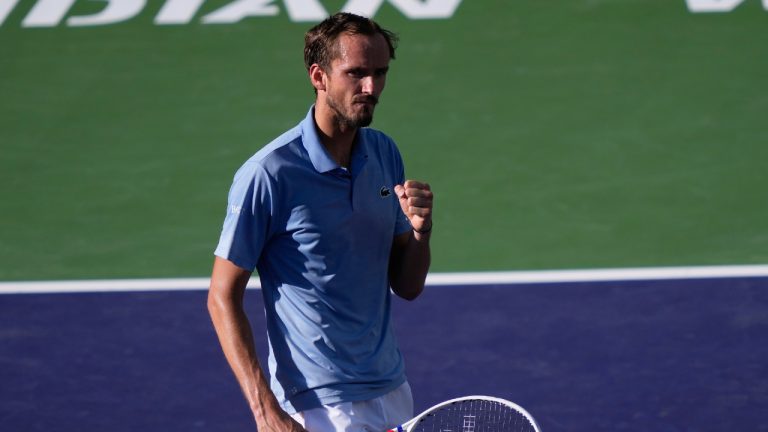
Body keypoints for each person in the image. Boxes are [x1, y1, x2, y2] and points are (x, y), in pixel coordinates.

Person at [207, 12, 433, 432]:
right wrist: (266, 411)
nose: (371, 88)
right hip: (319, 404)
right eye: (356, 73)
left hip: (391, 389)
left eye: (380, 73)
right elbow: (222, 296)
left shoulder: (384, 153)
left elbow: (407, 286)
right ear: (319, 76)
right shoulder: (270, 174)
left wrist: (421, 232)